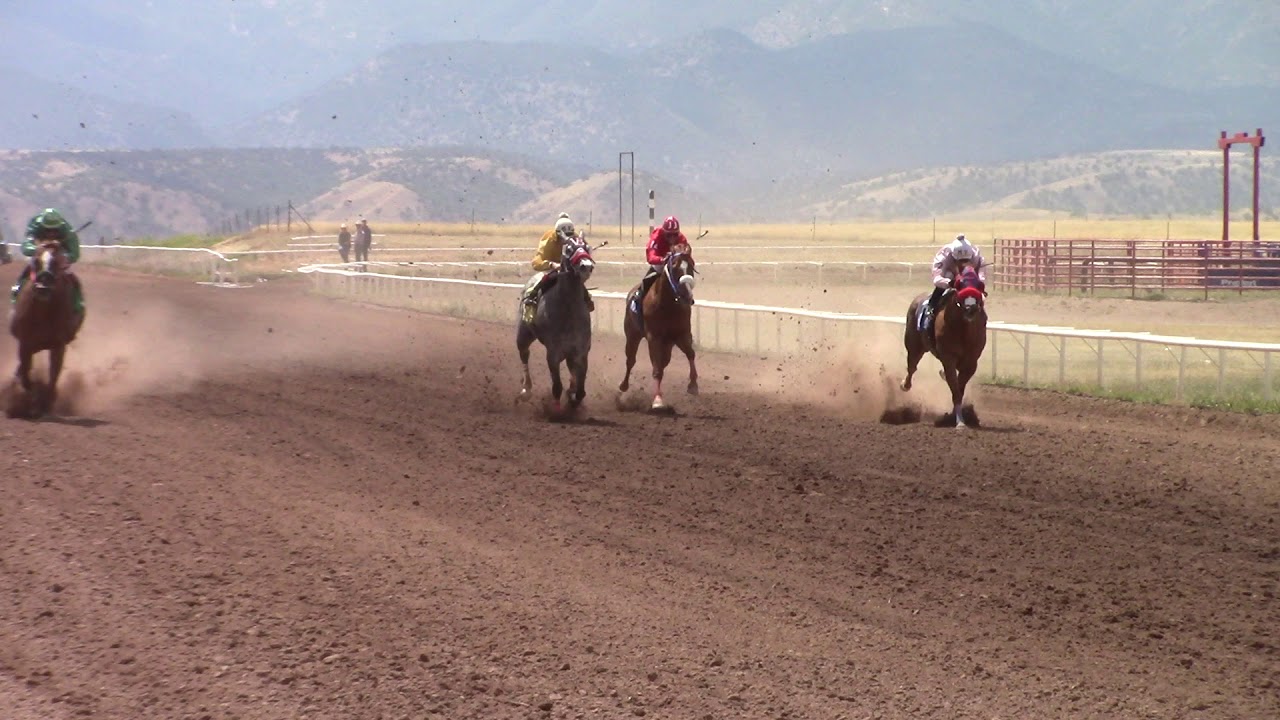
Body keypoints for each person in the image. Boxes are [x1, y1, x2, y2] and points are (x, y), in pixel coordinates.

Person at [521, 212, 592, 325]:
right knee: (542, 281)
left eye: (570, 235)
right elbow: (536, 262)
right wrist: (552, 265)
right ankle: (530, 302)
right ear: (557, 233)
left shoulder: (576, 238)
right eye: (563, 237)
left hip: (568, 271)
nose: (566, 240)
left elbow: (583, 254)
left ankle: (587, 303)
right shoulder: (548, 240)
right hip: (551, 270)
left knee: (580, 287)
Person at [11, 207, 84, 316]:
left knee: (73, 280)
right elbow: (26, 247)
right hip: (40, 254)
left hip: (59, 256)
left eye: (55, 230)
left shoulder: (68, 231)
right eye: (47, 229)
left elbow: (75, 254)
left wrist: (63, 256)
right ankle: (16, 296)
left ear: (60, 226)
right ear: (42, 225)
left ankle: (78, 305)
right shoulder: (34, 225)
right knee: (25, 274)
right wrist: (38, 249)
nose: (51, 233)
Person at [919, 233, 986, 331]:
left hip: (970, 282)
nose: (964, 264)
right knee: (947, 278)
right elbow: (937, 279)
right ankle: (929, 313)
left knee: (981, 299)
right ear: (953, 257)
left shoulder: (976, 254)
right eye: (960, 261)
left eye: (967, 260)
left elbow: (982, 275)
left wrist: (979, 283)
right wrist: (950, 282)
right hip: (949, 277)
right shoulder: (944, 255)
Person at [635, 215, 695, 304]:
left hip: (675, 265)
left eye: (675, 235)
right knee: (646, 281)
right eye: (669, 235)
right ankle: (638, 299)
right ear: (664, 232)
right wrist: (663, 260)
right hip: (660, 264)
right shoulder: (656, 236)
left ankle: (688, 297)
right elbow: (650, 257)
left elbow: (688, 258)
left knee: (685, 274)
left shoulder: (681, 238)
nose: (672, 238)